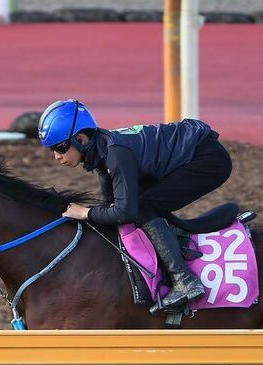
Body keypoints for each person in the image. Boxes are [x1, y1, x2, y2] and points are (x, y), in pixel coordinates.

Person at [38, 99, 233, 310]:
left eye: (61, 147)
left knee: (144, 207)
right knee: (140, 202)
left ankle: (184, 281)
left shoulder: (115, 154)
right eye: (52, 150)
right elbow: (109, 204)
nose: (57, 156)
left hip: (207, 159)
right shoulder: (99, 154)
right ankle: (171, 241)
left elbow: (125, 212)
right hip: (190, 155)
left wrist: (86, 213)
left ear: (81, 139)